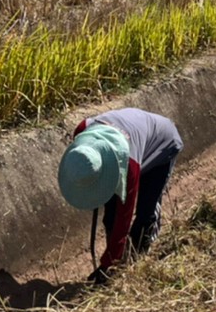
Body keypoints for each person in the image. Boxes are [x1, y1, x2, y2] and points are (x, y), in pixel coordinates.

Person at [58, 108, 183, 284]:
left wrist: (108, 264)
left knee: (145, 212)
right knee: (110, 216)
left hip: (162, 144)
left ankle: (136, 263)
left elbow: (124, 216)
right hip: (132, 138)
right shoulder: (82, 131)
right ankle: (119, 260)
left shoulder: (130, 166)